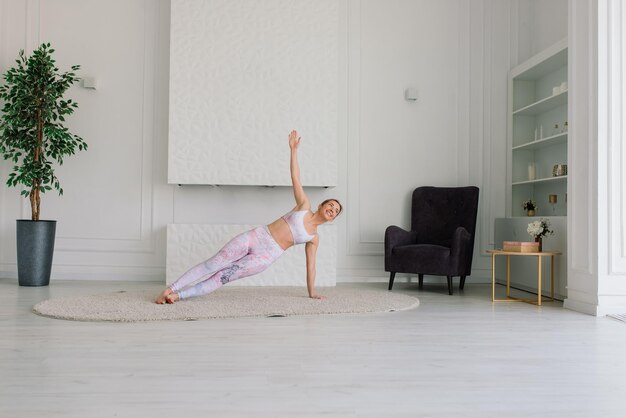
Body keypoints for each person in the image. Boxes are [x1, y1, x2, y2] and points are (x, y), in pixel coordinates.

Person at [156, 130, 342, 304]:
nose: (332, 210)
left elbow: (311, 266)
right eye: (331, 205)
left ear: (332, 218)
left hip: (266, 256)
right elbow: (296, 177)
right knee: (213, 264)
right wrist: (293, 151)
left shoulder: (314, 238)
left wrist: (312, 292)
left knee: (222, 277)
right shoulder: (304, 205)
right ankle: (170, 289)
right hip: (257, 236)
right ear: (321, 205)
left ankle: (177, 296)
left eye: (335, 211)